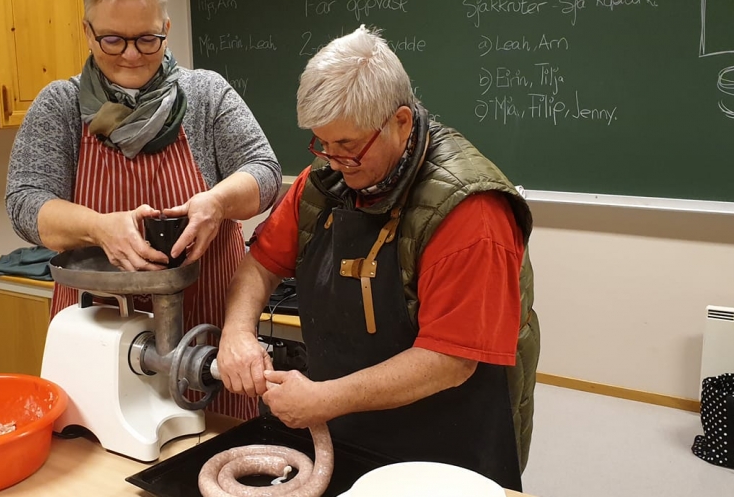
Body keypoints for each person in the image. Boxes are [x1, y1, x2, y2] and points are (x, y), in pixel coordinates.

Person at [217, 26, 540, 490]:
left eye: (348, 145)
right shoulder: (323, 179)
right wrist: (236, 333)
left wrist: (325, 398)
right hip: (344, 418)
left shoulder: (471, 213)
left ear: (402, 122)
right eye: (321, 143)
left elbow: (449, 360)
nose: (333, 160)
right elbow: (261, 263)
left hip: (446, 438)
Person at [5, 0, 281, 420]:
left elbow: (264, 172)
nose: (131, 55)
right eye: (113, 39)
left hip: (204, 320)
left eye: (147, 39)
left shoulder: (207, 94)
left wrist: (216, 203)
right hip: (97, 327)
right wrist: (99, 227)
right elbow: (24, 204)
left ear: (166, 29)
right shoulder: (59, 105)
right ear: (88, 32)